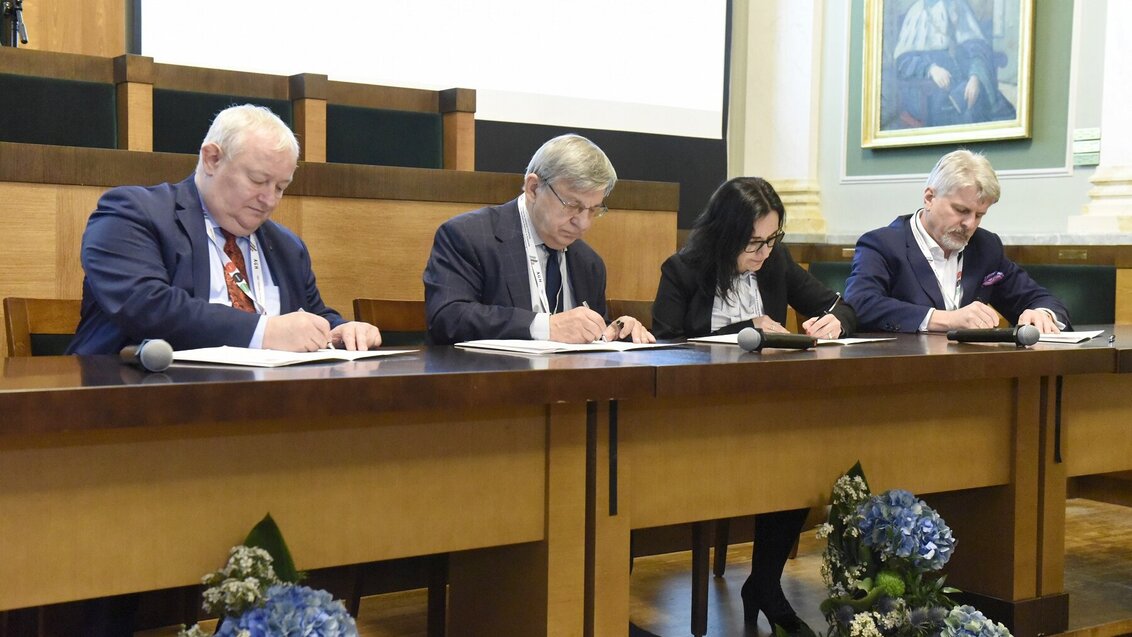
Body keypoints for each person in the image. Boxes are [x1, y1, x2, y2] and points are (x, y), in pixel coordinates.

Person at [651, 176, 855, 636]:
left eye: (772, 239)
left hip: (767, 411)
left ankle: (764, 585)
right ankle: (765, 590)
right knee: (779, 458)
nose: (763, 252)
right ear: (724, 233)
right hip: (697, 418)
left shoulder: (775, 263)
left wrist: (832, 321)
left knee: (798, 466)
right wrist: (746, 328)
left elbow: (840, 303)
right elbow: (665, 345)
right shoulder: (682, 270)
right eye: (754, 242)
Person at [67, 104, 381, 355]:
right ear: (212, 159)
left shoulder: (286, 245)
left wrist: (341, 329)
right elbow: (147, 307)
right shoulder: (132, 213)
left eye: (281, 187)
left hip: (265, 406)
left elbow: (311, 314)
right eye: (258, 181)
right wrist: (264, 332)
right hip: (136, 403)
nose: (269, 200)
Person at [424, 133, 654, 345]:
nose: (583, 223)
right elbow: (448, 318)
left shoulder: (589, 263)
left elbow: (590, 339)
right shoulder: (468, 236)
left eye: (593, 209)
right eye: (572, 205)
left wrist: (615, 332)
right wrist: (545, 327)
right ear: (533, 188)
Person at [844, 149, 1070, 333]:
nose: (970, 224)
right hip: (901, 374)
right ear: (930, 198)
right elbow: (860, 303)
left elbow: (1039, 297)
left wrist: (1042, 314)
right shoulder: (882, 244)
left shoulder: (985, 246)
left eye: (979, 215)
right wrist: (946, 320)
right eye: (961, 210)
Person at [889, 0, 1017, 129]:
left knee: (1005, 114)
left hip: (967, 82)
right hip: (933, 92)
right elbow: (903, 62)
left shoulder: (959, 5)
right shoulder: (917, 12)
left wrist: (975, 78)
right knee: (969, 113)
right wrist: (931, 69)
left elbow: (978, 48)